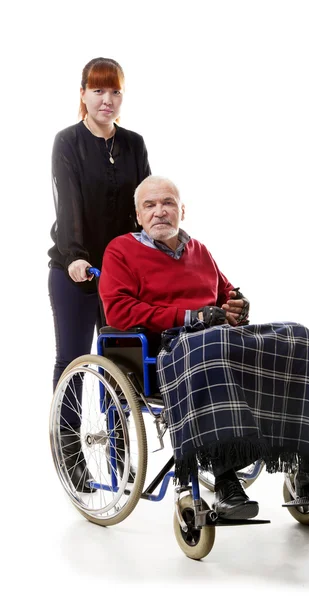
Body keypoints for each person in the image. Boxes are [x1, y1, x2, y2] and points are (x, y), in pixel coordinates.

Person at [99, 175, 309, 520]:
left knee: (298, 337)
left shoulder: (198, 250)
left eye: (168, 203)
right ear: (138, 215)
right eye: (150, 205)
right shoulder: (121, 251)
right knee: (211, 344)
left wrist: (238, 305)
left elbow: (226, 294)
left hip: (219, 339)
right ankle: (225, 478)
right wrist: (189, 316)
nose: (160, 212)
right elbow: (120, 311)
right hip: (168, 349)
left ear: (182, 210)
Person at [48, 57, 151, 492]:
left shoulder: (133, 144)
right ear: (83, 95)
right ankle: (71, 454)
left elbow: (143, 201)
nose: (107, 100)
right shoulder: (68, 142)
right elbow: (67, 203)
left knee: (119, 365)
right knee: (73, 360)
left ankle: (119, 454)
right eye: (98, 91)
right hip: (77, 272)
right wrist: (74, 254)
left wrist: (159, 230)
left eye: (114, 92)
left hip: (121, 274)